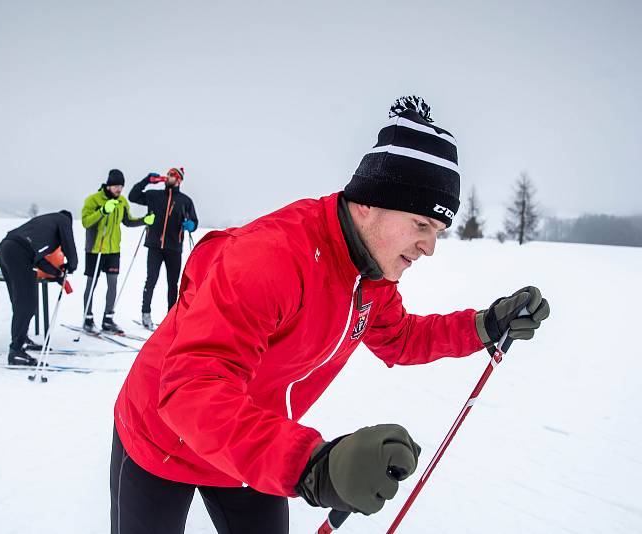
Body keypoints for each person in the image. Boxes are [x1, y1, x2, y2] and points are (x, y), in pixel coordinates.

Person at [109, 96, 551, 533]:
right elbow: (191, 388)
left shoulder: (370, 276)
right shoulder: (271, 258)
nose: (429, 247)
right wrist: (314, 466)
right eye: (420, 225)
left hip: (251, 443)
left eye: (436, 231)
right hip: (162, 436)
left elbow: (400, 338)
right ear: (368, 203)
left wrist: (484, 325)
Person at [0, 210, 78, 366]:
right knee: (27, 304)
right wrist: (72, 264)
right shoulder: (63, 219)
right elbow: (69, 243)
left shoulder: (42, 226)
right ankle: (16, 351)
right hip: (17, 252)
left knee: (20, 302)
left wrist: (58, 275)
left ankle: (22, 339)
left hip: (5, 249)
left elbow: (37, 259)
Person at [81, 169, 154, 334]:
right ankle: (88, 319)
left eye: (121, 186)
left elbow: (128, 221)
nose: (119, 189)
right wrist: (103, 211)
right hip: (95, 249)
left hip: (113, 250)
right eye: (116, 186)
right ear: (108, 185)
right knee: (91, 285)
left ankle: (108, 319)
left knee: (112, 284)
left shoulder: (122, 202)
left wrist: (144, 220)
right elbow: (86, 222)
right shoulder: (93, 200)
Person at [128, 166, 198, 329]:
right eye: (168, 174)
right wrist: (147, 181)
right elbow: (133, 196)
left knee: (173, 284)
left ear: (179, 180)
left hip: (174, 247)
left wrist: (191, 225)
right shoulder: (154, 195)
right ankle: (146, 313)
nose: (168, 176)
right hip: (154, 245)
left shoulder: (185, 201)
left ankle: (171, 317)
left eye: (172, 175)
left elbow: (195, 221)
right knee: (150, 280)